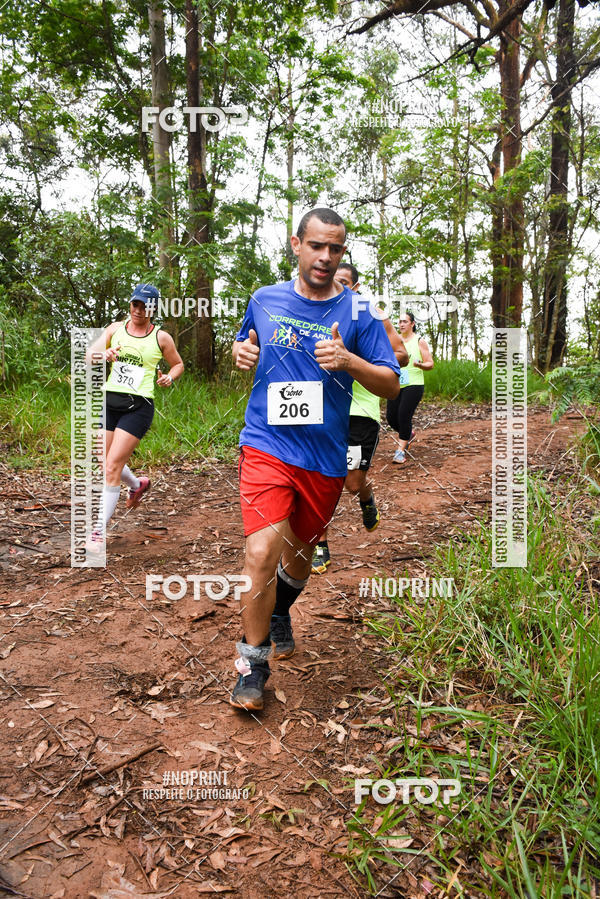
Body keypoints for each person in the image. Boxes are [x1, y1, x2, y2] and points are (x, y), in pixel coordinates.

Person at [231, 208, 402, 711]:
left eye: (336, 248)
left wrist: (349, 361)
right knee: (261, 551)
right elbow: (245, 344)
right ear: (296, 244)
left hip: (324, 456)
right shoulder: (264, 299)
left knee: (300, 556)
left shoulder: (360, 311)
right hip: (267, 443)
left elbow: (391, 384)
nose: (326, 257)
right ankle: (253, 664)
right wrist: (241, 354)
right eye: (317, 246)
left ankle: (279, 608)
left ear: (342, 252)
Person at [311, 263, 408, 574]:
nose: (334, 285)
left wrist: (354, 358)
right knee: (320, 477)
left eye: (342, 281)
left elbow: (401, 355)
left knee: (351, 483)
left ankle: (366, 495)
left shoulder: (370, 314)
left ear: (354, 286)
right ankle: (319, 542)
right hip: (322, 408)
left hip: (361, 410)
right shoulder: (313, 311)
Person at [85, 283, 184, 550]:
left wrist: (169, 377)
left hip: (138, 407)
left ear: (154, 309)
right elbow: (88, 356)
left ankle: (97, 532)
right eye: (135, 304)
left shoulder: (161, 338)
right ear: (130, 304)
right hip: (110, 403)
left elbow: (178, 364)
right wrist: (103, 354)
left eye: (145, 306)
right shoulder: (115, 330)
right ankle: (137, 484)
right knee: (104, 462)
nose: (139, 310)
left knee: (112, 467)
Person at [385, 311, 434, 463]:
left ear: (412, 324)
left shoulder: (419, 341)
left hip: (414, 384)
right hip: (396, 383)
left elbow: (430, 363)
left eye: (405, 321)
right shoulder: (394, 341)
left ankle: (400, 452)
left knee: (403, 415)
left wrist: (420, 365)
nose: (401, 324)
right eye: (399, 322)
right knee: (391, 417)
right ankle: (408, 434)